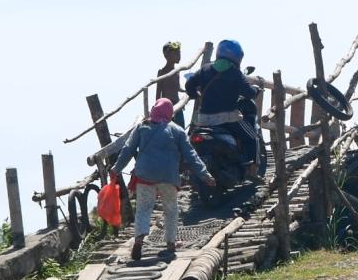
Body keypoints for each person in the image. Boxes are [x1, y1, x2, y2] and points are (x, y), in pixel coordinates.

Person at [110, 98, 216, 260]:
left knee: (144, 208)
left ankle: (138, 240)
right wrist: (205, 175)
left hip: (145, 174)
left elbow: (127, 149)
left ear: (154, 110)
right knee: (171, 209)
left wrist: (116, 169)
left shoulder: (142, 127)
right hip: (168, 176)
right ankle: (170, 243)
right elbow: (191, 155)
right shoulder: (177, 130)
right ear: (170, 113)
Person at [185, 39, 261, 176]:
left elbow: (189, 85)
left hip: (203, 120)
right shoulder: (235, 73)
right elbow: (249, 93)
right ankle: (253, 169)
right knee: (253, 137)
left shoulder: (205, 69)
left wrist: (195, 94)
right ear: (238, 56)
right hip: (227, 119)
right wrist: (256, 91)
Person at [156, 41, 186, 128]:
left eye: (179, 53)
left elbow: (178, 88)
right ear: (167, 55)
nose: (179, 56)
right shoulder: (162, 72)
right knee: (168, 129)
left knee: (181, 128)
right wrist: (157, 108)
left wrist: (186, 90)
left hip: (177, 104)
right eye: (176, 53)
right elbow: (158, 92)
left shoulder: (177, 71)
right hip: (166, 106)